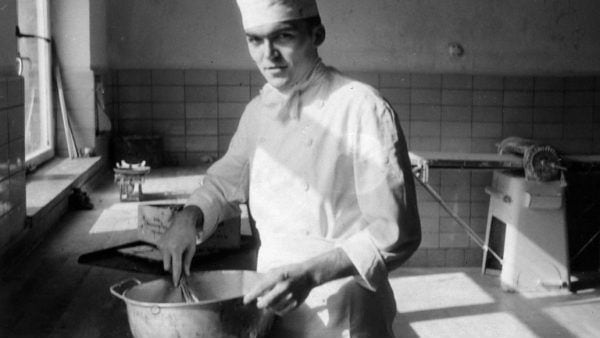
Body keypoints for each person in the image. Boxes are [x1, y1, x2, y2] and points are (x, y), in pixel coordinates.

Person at [158, 0, 421, 336]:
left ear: (316, 34)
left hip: (345, 309)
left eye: (282, 36)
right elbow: (223, 184)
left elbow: (396, 233)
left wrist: (310, 274)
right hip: (272, 301)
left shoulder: (362, 107)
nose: (269, 54)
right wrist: (188, 216)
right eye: (255, 40)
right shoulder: (258, 112)